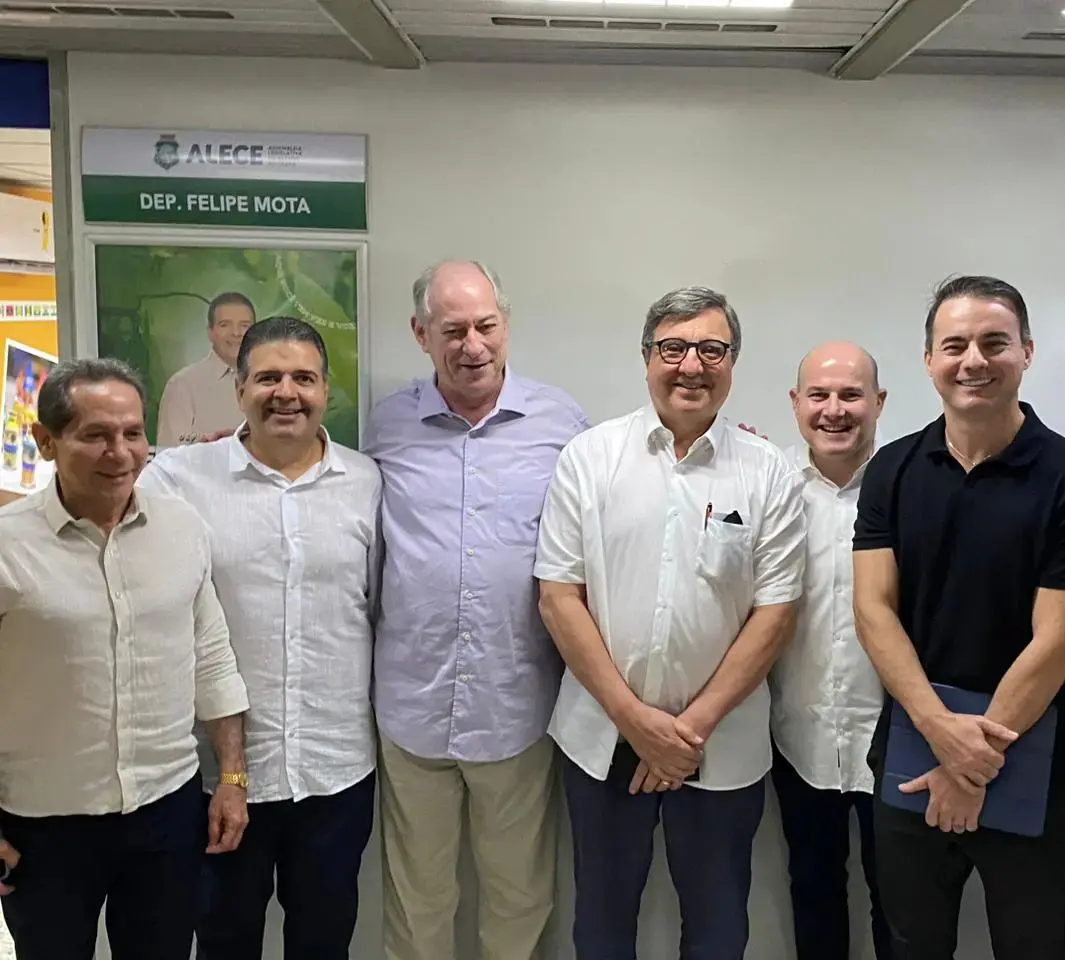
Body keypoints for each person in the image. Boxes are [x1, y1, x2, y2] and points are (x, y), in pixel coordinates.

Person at [535, 286, 807, 959]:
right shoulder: (589, 458)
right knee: (600, 924)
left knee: (718, 930)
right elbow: (558, 597)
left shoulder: (768, 473)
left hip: (719, 746)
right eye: (674, 348)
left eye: (711, 349)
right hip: (603, 738)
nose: (692, 365)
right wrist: (635, 720)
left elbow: (776, 614)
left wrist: (687, 730)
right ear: (646, 356)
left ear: (733, 361)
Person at [850, 275, 1065, 960]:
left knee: (1031, 946)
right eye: (955, 345)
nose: (974, 360)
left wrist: (973, 762)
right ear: (929, 360)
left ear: (1026, 352)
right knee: (909, 946)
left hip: (1029, 754)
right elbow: (874, 610)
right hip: (914, 747)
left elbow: (1058, 639)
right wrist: (943, 737)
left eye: (995, 343)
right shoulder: (891, 470)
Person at [138, 317, 382, 960]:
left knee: (324, 941)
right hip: (221, 777)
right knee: (224, 940)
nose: (286, 392)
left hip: (337, 769)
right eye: (268, 377)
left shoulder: (368, 483)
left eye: (303, 377)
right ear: (240, 387)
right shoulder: (177, 481)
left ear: (326, 390)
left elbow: (380, 608)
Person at [365, 260, 588, 960]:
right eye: (453, 330)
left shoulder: (562, 422)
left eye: (486, 326)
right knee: (417, 899)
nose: (472, 345)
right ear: (420, 334)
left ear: (506, 324)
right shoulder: (386, 425)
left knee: (519, 895)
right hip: (411, 704)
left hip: (517, 704)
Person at [0, 357, 250, 960]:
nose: (121, 452)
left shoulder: (181, 528)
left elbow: (212, 658)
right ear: (46, 441)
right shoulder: (8, 545)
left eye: (133, 433)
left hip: (166, 814)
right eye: (96, 435)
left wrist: (232, 780)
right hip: (43, 825)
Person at [770, 341, 892, 960]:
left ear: (879, 403)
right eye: (818, 395)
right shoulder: (769, 487)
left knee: (900, 907)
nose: (835, 410)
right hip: (800, 737)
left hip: (896, 744)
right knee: (813, 893)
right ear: (796, 404)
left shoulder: (912, 487)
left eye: (851, 395)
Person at [157, 291, 256, 447]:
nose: (236, 333)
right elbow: (168, 460)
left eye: (245, 325)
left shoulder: (272, 383)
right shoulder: (183, 385)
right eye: (225, 325)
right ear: (210, 332)